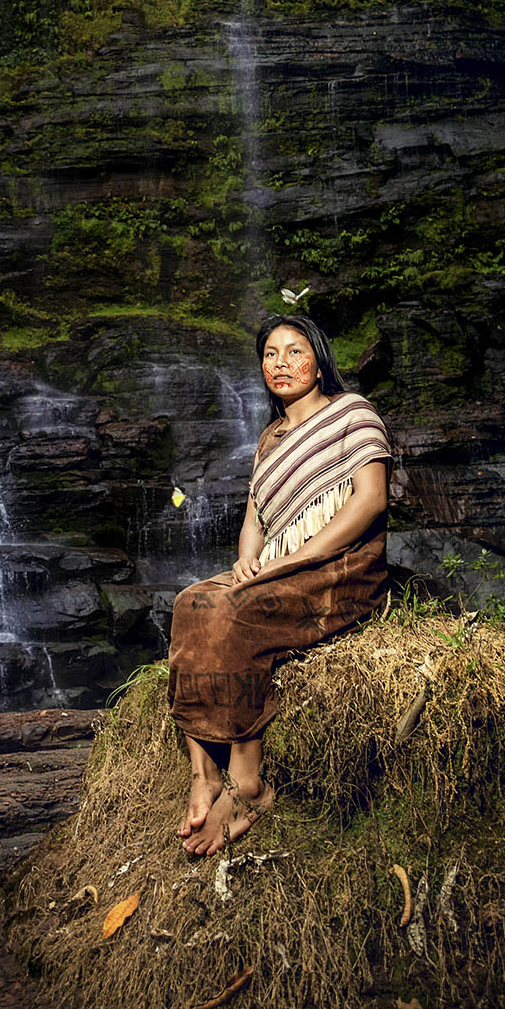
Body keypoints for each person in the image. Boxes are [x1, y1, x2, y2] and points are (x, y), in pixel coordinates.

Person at [165, 309, 391, 856]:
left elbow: (371, 500)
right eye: (270, 354)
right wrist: (248, 561)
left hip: (341, 566)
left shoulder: (350, 413)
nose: (281, 363)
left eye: (294, 350)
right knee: (191, 603)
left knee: (234, 613)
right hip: (277, 562)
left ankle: (248, 782)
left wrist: (302, 557)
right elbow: (255, 519)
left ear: (319, 359)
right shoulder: (270, 440)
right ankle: (205, 774)